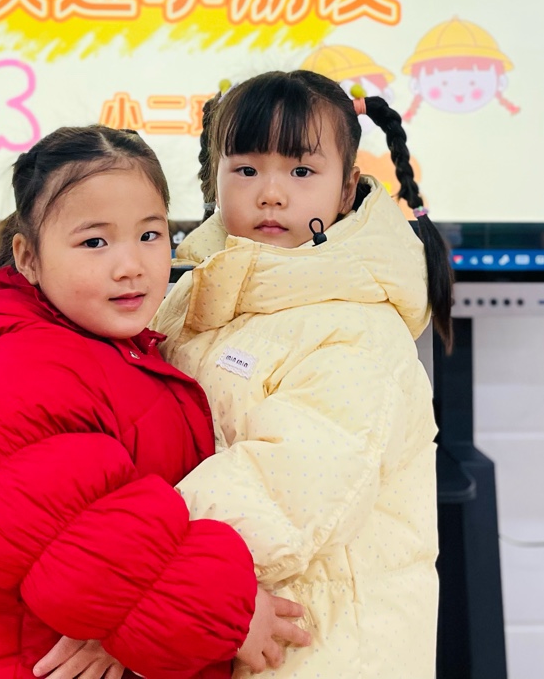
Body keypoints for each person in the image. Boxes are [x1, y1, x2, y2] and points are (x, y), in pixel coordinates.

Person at [0, 125, 310, 679]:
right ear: (28, 257)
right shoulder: (16, 370)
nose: (131, 266)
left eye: (150, 234)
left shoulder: (109, 347)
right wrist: (232, 616)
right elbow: (89, 545)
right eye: (95, 242)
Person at [155, 69, 453, 677]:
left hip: (323, 650)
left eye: (301, 172)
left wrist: (137, 579)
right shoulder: (196, 295)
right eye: (246, 169)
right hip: (220, 622)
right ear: (215, 180)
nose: (271, 193)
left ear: (345, 190)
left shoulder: (357, 327)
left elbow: (281, 489)